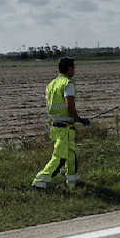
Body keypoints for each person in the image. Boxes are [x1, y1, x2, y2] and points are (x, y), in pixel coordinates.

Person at [33, 57, 90, 189]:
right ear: (69, 69)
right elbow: (69, 104)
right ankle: (40, 179)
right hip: (65, 127)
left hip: (55, 125)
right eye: (73, 68)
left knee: (70, 153)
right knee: (60, 157)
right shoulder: (68, 83)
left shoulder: (52, 84)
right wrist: (78, 118)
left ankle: (72, 180)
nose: (74, 70)